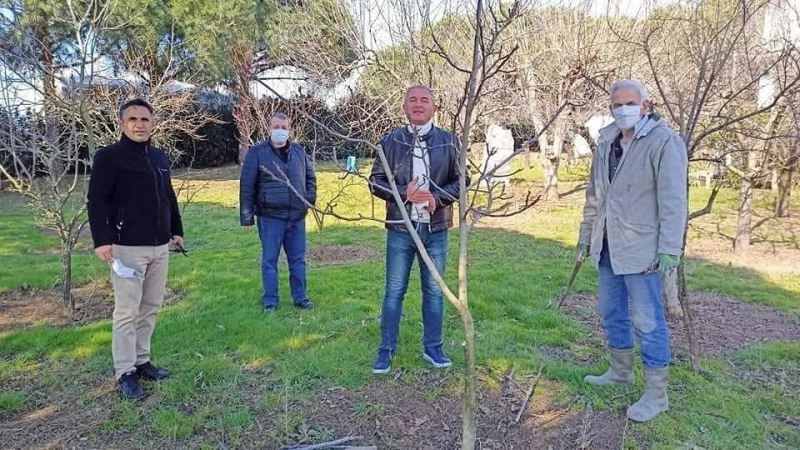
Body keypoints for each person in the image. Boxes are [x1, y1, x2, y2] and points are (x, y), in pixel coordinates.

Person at [577, 79, 688, 422]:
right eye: (616, 104)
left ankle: (657, 394)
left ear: (645, 105)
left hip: (643, 249)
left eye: (629, 103)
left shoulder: (663, 142)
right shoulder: (607, 142)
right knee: (612, 313)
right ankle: (620, 371)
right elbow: (595, 196)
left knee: (648, 321)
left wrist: (670, 247)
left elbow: (673, 200)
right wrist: (585, 237)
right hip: (608, 246)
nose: (622, 109)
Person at [87, 98, 184, 401]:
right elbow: (97, 200)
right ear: (122, 123)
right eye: (133, 119)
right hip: (126, 248)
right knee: (127, 312)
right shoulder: (109, 157)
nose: (140, 124)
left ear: (152, 123)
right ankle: (125, 372)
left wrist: (176, 230)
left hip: (159, 246)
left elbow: (168, 197)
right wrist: (102, 240)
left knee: (151, 308)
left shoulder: (158, 157)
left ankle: (142, 362)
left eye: (145, 119)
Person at [368, 85, 465, 375]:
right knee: (394, 291)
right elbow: (375, 181)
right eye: (413, 100)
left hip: (435, 230)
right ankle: (386, 350)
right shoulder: (391, 141)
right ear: (404, 107)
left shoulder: (449, 142)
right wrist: (402, 193)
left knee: (434, 291)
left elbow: (462, 181)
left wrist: (438, 198)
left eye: (425, 100)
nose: (418, 104)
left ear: (434, 107)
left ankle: (432, 347)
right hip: (401, 228)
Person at [240, 112, 316, 313]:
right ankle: (270, 301)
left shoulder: (299, 151)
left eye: (284, 127)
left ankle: (300, 297)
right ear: (269, 128)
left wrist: (308, 201)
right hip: (270, 217)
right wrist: (247, 216)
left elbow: (310, 179)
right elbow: (247, 184)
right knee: (269, 261)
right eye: (276, 127)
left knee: (298, 260)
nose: (280, 131)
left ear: (289, 129)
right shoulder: (257, 153)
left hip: (297, 217)